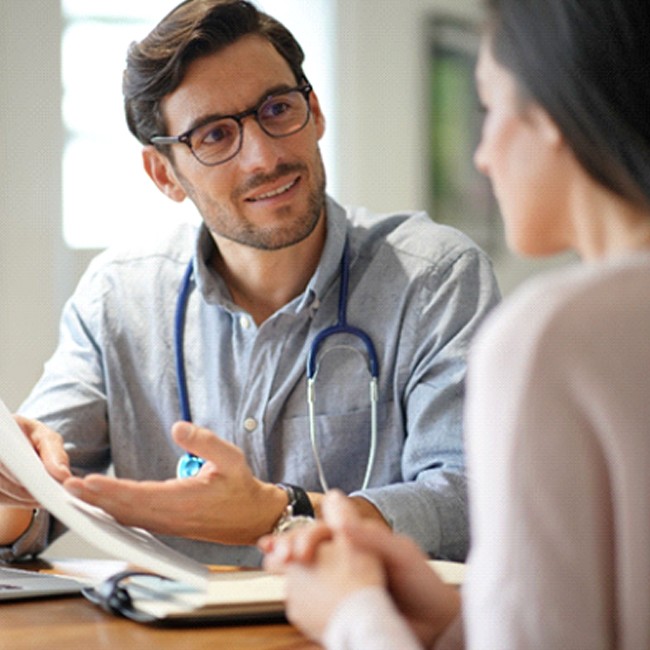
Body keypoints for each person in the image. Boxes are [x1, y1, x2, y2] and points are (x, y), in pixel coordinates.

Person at [0, 0, 499, 566]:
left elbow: (470, 500)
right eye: (214, 136)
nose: (265, 156)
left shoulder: (433, 279)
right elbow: (36, 489)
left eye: (278, 109)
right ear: (165, 175)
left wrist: (280, 513)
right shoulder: (118, 299)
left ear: (314, 110)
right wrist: (16, 492)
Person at [261, 0, 650, 647]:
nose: (483, 155)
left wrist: (350, 614)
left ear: (553, 113)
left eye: (490, 107)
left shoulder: (553, 337)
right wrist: (452, 622)